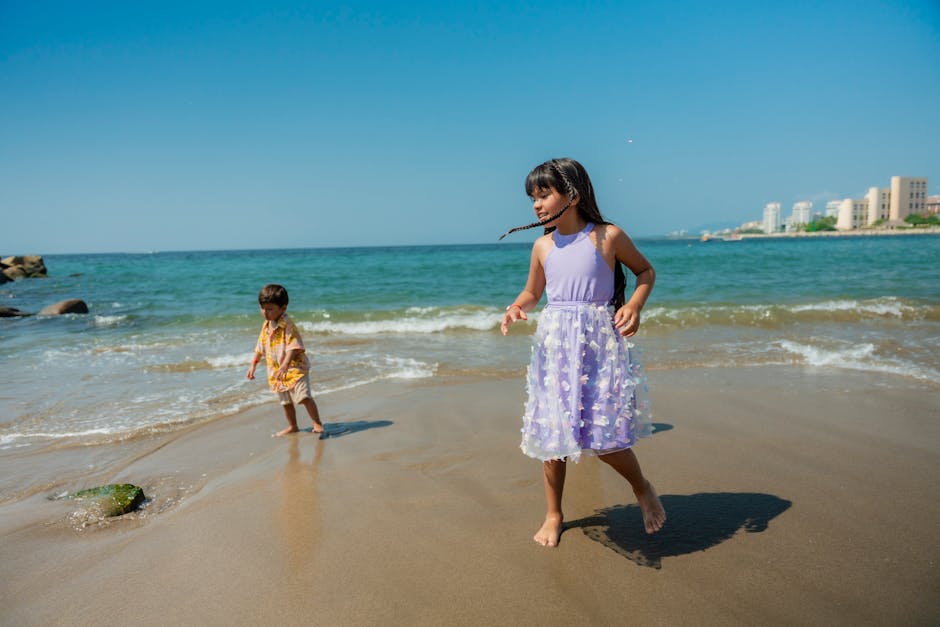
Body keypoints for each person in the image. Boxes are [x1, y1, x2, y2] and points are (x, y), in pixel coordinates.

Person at [500, 158, 666, 547]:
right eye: (532, 198)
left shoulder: (607, 237)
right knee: (554, 436)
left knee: (606, 437)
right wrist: (517, 305)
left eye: (544, 195)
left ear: (571, 195)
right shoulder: (542, 245)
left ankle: (642, 488)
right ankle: (554, 513)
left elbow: (646, 272)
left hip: (597, 348)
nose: (536, 205)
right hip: (556, 349)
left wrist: (635, 306)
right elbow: (534, 292)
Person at [247, 284, 324, 437]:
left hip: (295, 368)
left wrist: (285, 364)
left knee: (303, 397)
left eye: (270, 309)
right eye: (262, 308)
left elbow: (293, 347)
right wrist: (253, 365)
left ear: (283, 308)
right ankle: (293, 426)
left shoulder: (287, 324)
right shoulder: (266, 326)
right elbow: (260, 347)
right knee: (286, 403)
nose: (265, 313)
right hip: (277, 372)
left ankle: (317, 423)